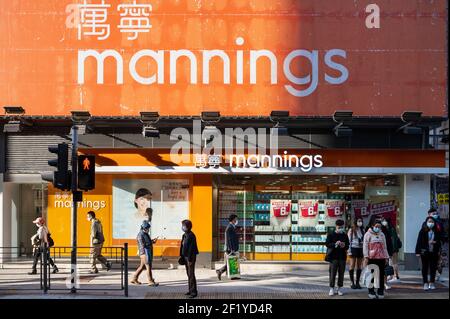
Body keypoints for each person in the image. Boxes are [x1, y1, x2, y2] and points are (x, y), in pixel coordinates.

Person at [363, 219, 390, 299]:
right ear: (372, 226)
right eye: (376, 226)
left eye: (379, 226)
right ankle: (371, 291)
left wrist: (386, 257)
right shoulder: (367, 234)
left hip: (381, 258)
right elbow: (365, 246)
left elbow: (385, 247)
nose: (378, 228)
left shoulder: (382, 234)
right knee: (371, 275)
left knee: (381, 275)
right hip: (371, 258)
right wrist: (366, 257)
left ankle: (380, 291)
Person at [416, 216, 442, 290]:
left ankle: (432, 283)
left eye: (432, 222)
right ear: (426, 222)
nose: (430, 223)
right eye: (429, 221)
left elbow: (439, 242)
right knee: (425, 268)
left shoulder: (436, 231)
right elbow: (419, 242)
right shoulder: (423, 231)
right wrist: (417, 252)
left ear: (434, 223)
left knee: (433, 268)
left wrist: (435, 242)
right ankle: (425, 283)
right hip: (425, 252)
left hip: (434, 252)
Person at [326, 219, 349, 296]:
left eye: (342, 227)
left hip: (342, 257)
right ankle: (331, 288)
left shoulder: (345, 235)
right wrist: (335, 244)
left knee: (341, 273)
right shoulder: (331, 234)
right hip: (333, 257)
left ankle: (339, 288)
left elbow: (348, 245)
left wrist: (344, 245)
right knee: (332, 273)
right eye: (339, 227)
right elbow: (327, 244)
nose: (340, 228)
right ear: (336, 226)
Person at [131, 220, 159, 286]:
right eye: (148, 228)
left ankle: (134, 279)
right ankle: (150, 281)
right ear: (144, 228)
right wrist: (150, 243)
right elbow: (142, 245)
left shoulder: (145, 234)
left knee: (142, 266)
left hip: (145, 252)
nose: (148, 230)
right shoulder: (140, 235)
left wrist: (152, 241)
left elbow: (147, 242)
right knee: (148, 266)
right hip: (144, 253)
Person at [216, 214, 239, 281]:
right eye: (236, 219)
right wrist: (232, 249)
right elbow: (229, 240)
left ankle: (233, 275)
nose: (236, 220)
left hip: (231, 248)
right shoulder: (230, 228)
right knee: (231, 262)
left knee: (232, 261)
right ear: (233, 219)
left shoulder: (232, 227)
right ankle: (220, 271)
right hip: (230, 248)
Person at [180, 219, 199, 298]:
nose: (182, 227)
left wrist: (190, 259)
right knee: (188, 274)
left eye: (183, 226)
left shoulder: (191, 235)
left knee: (191, 274)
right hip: (185, 257)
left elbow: (192, 248)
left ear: (187, 226)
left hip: (190, 257)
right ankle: (190, 290)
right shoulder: (184, 235)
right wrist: (182, 256)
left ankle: (193, 292)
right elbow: (183, 246)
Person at [347, 218, 365, 289]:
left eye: (361, 221)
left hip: (360, 249)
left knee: (359, 266)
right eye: (358, 221)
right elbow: (348, 241)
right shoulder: (351, 230)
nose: (360, 222)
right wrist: (349, 251)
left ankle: (357, 282)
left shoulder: (362, 230)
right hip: (353, 248)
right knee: (352, 265)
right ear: (355, 222)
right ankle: (352, 282)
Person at [383, 218, 402, 283]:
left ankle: (396, 276)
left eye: (384, 221)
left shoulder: (391, 229)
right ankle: (391, 275)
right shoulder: (389, 229)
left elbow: (393, 240)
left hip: (393, 248)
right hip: (391, 248)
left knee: (394, 262)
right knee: (391, 262)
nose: (383, 222)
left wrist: (392, 249)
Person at [380, 217, 394, 290]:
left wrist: (390, 253)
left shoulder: (387, 231)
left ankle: (385, 283)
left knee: (385, 269)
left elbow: (389, 243)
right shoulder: (375, 232)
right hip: (376, 254)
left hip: (385, 253)